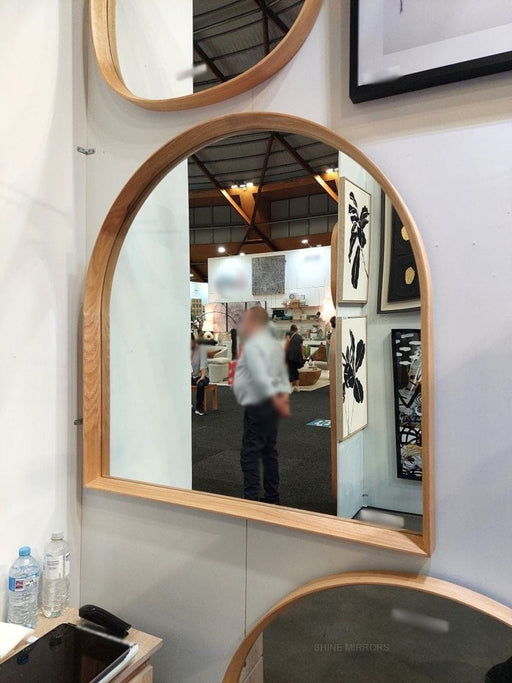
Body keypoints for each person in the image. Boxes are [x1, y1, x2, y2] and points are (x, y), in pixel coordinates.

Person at [232, 306, 291, 504]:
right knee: (268, 452)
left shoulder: (254, 345)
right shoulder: (274, 345)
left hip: (259, 405)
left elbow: (260, 378)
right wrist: (282, 399)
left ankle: (251, 501)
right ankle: (272, 497)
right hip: (270, 407)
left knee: (250, 454)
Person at [191, 333, 210, 416]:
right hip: (191, 376)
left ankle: (199, 408)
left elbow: (203, 363)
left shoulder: (201, 348)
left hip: (202, 375)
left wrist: (202, 377)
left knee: (201, 384)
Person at [286, 324, 304, 392]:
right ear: (296, 330)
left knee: (290, 370)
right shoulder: (299, 337)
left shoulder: (288, 335)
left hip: (290, 355)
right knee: (295, 370)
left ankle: (290, 387)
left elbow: (286, 344)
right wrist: (302, 355)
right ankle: (297, 386)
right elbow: (301, 347)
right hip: (297, 355)